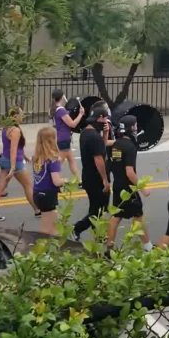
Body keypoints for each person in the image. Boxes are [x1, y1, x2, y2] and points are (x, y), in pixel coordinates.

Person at [106, 115, 153, 251]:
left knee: (116, 216)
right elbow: (130, 172)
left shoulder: (116, 144)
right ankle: (148, 247)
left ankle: (109, 249)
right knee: (138, 216)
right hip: (128, 188)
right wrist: (143, 189)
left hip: (117, 185)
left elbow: (108, 148)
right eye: (135, 125)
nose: (136, 127)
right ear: (131, 128)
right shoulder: (130, 147)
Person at [0, 106, 37, 223]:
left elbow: (14, 147)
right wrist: (13, 168)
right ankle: (37, 209)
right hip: (14, 163)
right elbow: (13, 150)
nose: (23, 116)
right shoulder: (15, 130)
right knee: (28, 186)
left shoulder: (6, 128)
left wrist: (25, 156)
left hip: (4, 160)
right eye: (21, 114)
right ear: (15, 116)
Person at [72, 101, 113, 242]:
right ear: (99, 118)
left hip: (88, 177)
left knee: (98, 207)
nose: (106, 121)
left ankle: (99, 235)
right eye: (105, 118)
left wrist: (106, 133)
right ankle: (77, 228)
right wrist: (105, 180)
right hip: (96, 179)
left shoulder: (87, 132)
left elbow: (101, 146)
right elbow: (99, 159)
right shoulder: (93, 136)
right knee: (98, 209)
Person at [32, 126, 65, 237]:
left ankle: (48, 248)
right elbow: (56, 181)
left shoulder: (37, 157)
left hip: (37, 193)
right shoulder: (53, 159)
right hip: (48, 194)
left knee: (50, 224)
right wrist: (66, 180)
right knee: (50, 227)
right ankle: (44, 249)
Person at [53, 89, 85, 180]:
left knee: (71, 160)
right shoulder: (61, 110)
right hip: (64, 138)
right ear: (62, 97)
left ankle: (79, 180)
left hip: (62, 138)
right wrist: (80, 114)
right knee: (59, 162)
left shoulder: (56, 109)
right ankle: (55, 179)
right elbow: (72, 124)